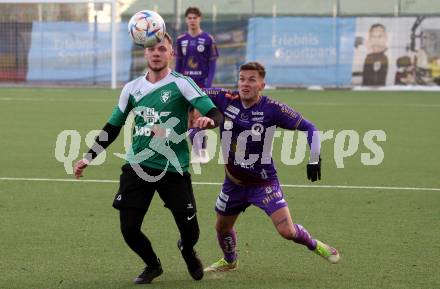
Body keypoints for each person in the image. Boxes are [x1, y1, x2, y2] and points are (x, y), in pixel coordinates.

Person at [72, 33, 223, 284]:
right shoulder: (132, 88)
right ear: (145, 53)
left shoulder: (182, 83)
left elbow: (217, 114)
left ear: (171, 54)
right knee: (128, 228)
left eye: (162, 49)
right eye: (151, 48)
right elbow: (112, 127)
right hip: (138, 165)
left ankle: (186, 249)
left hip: (174, 168)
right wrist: (89, 157)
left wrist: (209, 121)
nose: (156, 53)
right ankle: (153, 265)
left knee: (191, 232)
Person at [201, 62, 340, 273]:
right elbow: (191, 90)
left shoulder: (273, 109)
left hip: (263, 183)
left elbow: (309, 127)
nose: (245, 84)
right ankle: (230, 261)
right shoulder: (224, 98)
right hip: (234, 183)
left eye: (251, 80)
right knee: (222, 227)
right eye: (242, 79)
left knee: (287, 231)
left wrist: (314, 158)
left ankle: (316, 245)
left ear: (262, 85)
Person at [175, 6, 219, 164]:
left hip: (201, 85)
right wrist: (177, 82)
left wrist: (208, 84)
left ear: (200, 19)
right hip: (185, 85)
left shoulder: (208, 39)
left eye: (195, 17)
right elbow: (178, 64)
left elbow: (212, 63)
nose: (192, 20)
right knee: (187, 121)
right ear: (186, 20)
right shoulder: (181, 40)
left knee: (199, 118)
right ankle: (198, 152)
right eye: (189, 18)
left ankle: (203, 152)